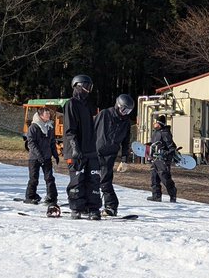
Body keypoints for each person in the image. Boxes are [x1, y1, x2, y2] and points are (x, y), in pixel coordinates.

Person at [63, 75, 101, 220]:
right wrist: (75, 148)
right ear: (78, 86)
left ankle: (92, 208)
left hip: (90, 149)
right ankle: (76, 207)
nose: (89, 90)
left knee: (93, 179)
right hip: (75, 150)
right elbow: (69, 130)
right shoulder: (71, 104)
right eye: (87, 86)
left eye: (90, 87)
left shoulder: (87, 106)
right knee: (77, 180)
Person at [94, 93, 134, 216]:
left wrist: (124, 159)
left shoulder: (126, 122)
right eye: (124, 109)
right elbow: (93, 129)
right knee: (90, 178)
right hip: (95, 152)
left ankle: (111, 206)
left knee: (105, 181)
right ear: (118, 105)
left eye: (128, 111)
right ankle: (87, 203)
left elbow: (126, 142)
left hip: (110, 155)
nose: (125, 113)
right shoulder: (105, 114)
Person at [23, 106, 58, 205]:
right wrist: (39, 156)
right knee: (34, 178)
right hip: (34, 158)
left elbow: (52, 142)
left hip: (46, 157)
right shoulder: (33, 127)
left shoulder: (49, 126)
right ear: (41, 115)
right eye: (46, 114)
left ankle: (52, 196)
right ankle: (30, 196)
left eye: (49, 114)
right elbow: (31, 143)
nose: (48, 116)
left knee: (49, 177)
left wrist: (55, 154)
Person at [147, 115, 178, 203]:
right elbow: (155, 143)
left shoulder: (165, 133)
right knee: (154, 178)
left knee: (165, 178)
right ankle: (156, 196)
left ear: (159, 123)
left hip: (162, 160)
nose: (153, 123)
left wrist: (165, 153)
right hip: (155, 159)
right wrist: (148, 145)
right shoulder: (156, 132)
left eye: (155, 122)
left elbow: (172, 147)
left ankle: (173, 195)